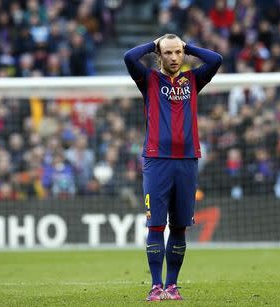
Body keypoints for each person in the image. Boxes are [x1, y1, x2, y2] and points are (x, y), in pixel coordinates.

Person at [123, 34, 222, 301]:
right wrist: (154, 44)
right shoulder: (149, 80)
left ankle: (172, 286)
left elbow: (217, 59)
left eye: (179, 52)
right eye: (168, 53)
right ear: (159, 55)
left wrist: (188, 46)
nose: (174, 57)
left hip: (188, 160)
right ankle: (156, 286)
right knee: (155, 225)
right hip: (157, 161)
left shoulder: (193, 80)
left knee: (179, 227)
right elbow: (129, 57)